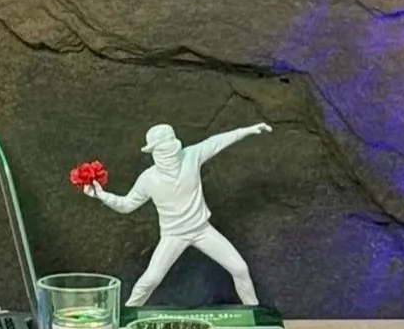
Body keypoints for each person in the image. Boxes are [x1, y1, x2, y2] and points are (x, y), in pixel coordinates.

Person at [83, 118, 273, 304]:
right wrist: (102, 195)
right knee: (150, 280)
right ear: (154, 152)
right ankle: (126, 315)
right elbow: (127, 205)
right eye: (163, 149)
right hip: (173, 235)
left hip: (202, 230)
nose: (169, 153)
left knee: (240, 269)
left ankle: (254, 314)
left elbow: (216, 142)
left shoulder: (191, 156)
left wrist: (246, 130)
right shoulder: (148, 179)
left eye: (170, 147)